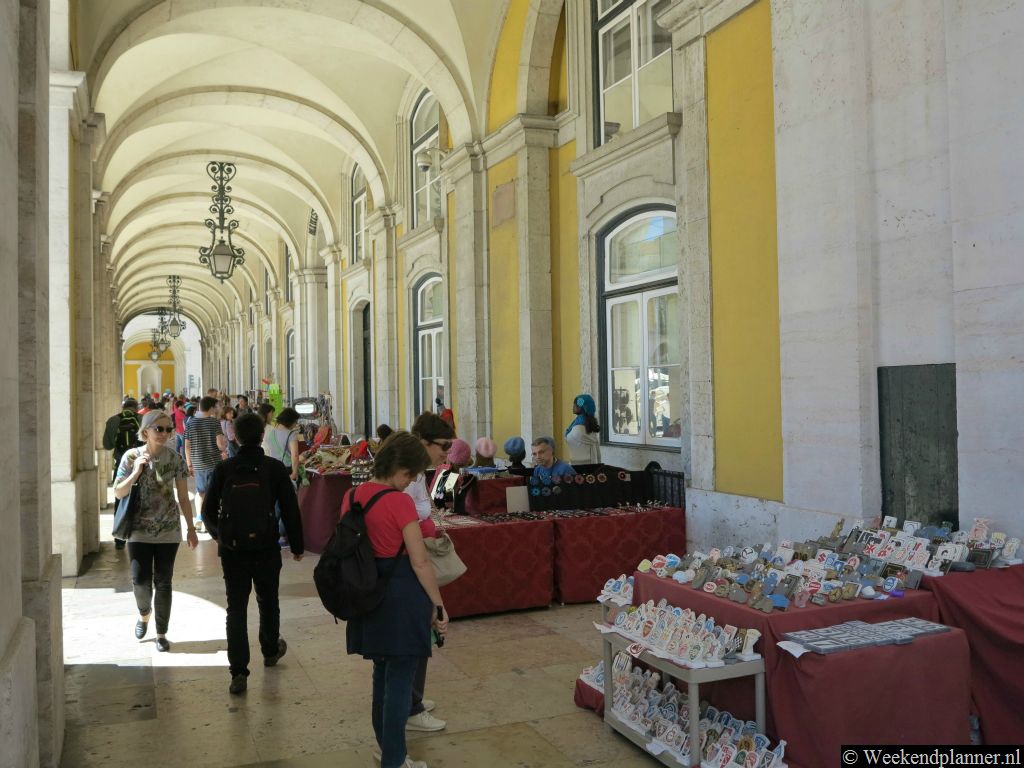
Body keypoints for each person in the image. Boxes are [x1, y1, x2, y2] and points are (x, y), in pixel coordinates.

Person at [343, 431, 448, 768]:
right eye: (410, 475)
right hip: (401, 594)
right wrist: (438, 603)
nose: (410, 483)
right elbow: (419, 561)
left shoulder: (352, 496)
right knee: (401, 678)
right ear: (400, 468)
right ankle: (394, 759)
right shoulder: (399, 502)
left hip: (367, 592)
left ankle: (387, 749)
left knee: (381, 674)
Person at [202, 413, 305, 695]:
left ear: (234, 435)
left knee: (235, 609)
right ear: (262, 436)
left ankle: (238, 672)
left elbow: (207, 512)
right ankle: (270, 650)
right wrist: (296, 546)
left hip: (233, 551)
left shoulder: (224, 469)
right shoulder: (274, 469)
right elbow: (290, 510)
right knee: (268, 600)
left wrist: (222, 538)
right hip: (265, 547)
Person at [113, 410, 199, 652]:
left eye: (168, 429)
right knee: (140, 581)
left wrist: (191, 529)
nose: (163, 433)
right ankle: (144, 614)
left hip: (168, 529)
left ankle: (161, 633)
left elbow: (183, 496)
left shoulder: (175, 459)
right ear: (146, 431)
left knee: (164, 582)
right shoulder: (131, 457)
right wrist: (135, 473)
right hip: (138, 529)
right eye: (158, 428)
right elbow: (118, 492)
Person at [403, 411, 456, 733]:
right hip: (410, 563)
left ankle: (413, 699)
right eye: (443, 446)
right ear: (424, 443)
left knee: (421, 634)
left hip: (417, 556)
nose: (446, 453)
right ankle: (410, 707)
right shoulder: (406, 478)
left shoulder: (421, 474)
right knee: (417, 634)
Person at [185, 395, 228, 533]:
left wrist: (189, 464)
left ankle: (199, 517)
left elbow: (187, 446)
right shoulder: (213, 422)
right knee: (214, 492)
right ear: (210, 408)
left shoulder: (190, 422)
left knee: (201, 492)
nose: (216, 409)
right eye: (215, 407)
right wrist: (224, 449)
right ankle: (210, 520)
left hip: (197, 463)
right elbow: (220, 444)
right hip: (213, 462)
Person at [262, 407, 301, 482]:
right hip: (287, 468)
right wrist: (294, 472)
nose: (295, 424)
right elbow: (295, 455)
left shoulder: (271, 433)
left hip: (273, 468)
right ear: (290, 421)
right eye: (295, 422)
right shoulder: (291, 434)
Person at [565, 394, 601, 464]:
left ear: (580, 407)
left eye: (574, 404)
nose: (572, 407)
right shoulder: (588, 424)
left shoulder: (578, 429)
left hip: (580, 465)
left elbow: (568, 437)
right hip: (590, 462)